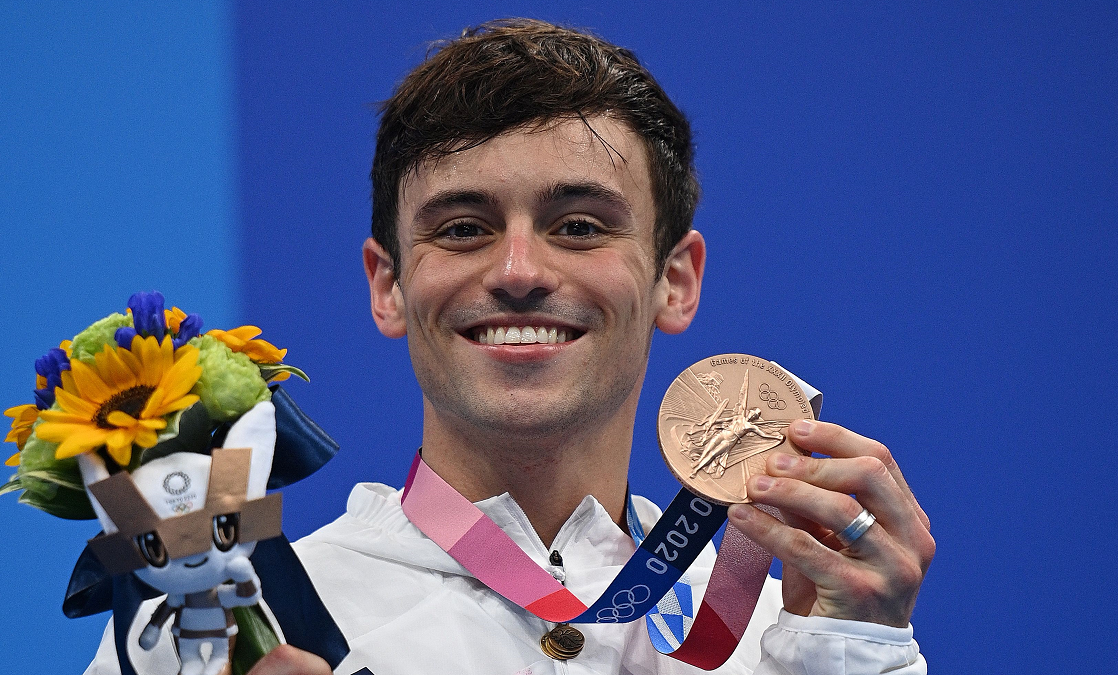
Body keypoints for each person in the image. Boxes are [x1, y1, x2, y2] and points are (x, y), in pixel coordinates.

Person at [86, 18, 933, 675]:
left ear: (676, 278)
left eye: (577, 225)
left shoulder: (790, 626)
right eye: (463, 228)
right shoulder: (234, 629)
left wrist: (854, 651)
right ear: (388, 284)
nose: (519, 270)